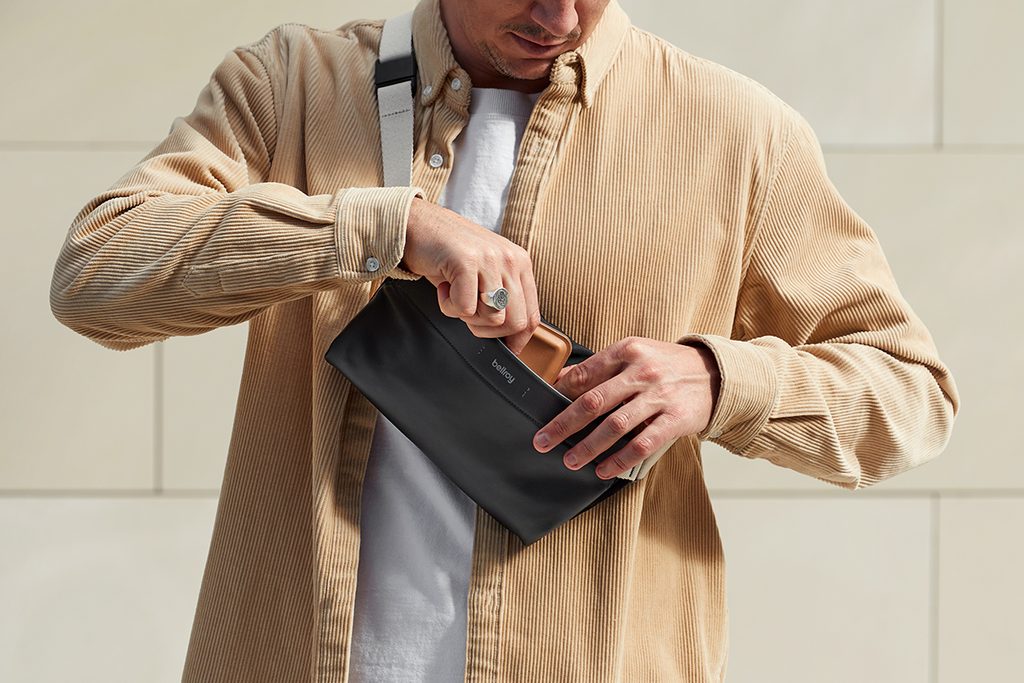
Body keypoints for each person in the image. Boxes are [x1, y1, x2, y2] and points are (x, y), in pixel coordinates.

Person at [48, 0, 960, 680]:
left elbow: (911, 393)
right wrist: (384, 226)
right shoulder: (294, 87)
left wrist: (718, 380)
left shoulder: (738, 133)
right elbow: (95, 271)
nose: (558, 18)